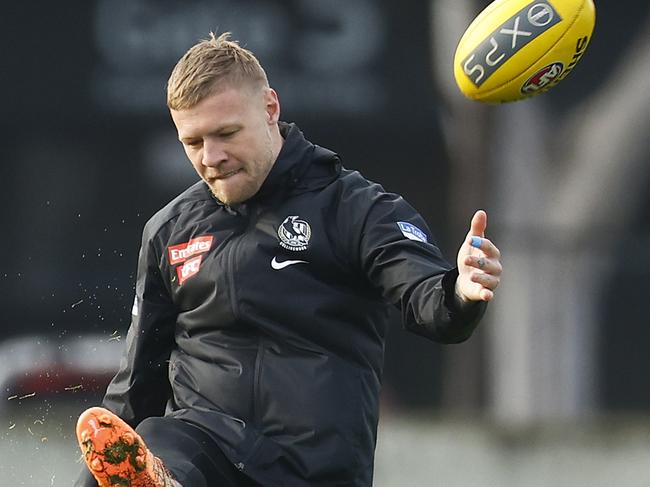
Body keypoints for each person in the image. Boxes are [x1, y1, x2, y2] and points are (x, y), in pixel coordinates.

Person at [74, 32, 502, 487]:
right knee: (161, 440)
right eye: (193, 142)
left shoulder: (355, 209)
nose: (211, 157)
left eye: (226, 133)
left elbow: (430, 303)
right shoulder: (170, 231)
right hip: (203, 457)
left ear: (270, 109)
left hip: (309, 472)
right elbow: (135, 389)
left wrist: (460, 290)